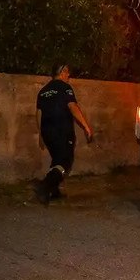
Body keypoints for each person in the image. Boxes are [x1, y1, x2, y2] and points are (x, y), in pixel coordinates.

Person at [35, 63, 93, 204]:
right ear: (60, 72)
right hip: (62, 130)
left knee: (57, 159)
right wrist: (86, 126)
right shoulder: (65, 87)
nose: (68, 74)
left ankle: (54, 191)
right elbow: (72, 107)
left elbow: (38, 114)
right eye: (66, 71)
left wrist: (41, 134)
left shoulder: (43, 91)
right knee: (65, 162)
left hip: (47, 132)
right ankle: (45, 185)